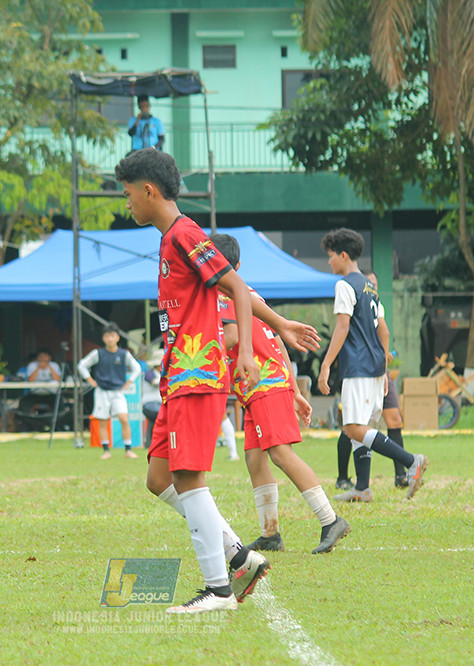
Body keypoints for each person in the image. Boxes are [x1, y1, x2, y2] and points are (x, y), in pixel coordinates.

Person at [114, 147, 322, 614]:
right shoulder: (171, 238)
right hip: (178, 377)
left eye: (128, 195)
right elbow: (234, 287)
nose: (126, 203)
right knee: (158, 477)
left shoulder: (185, 233)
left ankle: (219, 590)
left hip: (199, 374)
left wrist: (248, 348)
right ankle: (238, 555)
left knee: (189, 479)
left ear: (149, 191)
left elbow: (235, 289)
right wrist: (283, 323)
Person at [211, 233, 350, 555]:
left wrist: (195, 357)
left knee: (280, 454)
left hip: (264, 386)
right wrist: (294, 389)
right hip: (265, 387)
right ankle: (270, 533)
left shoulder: (224, 297)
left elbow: (231, 335)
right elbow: (275, 336)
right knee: (254, 458)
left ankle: (330, 520)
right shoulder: (249, 292)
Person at [318, 228, 428, 502]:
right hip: (376, 368)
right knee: (364, 426)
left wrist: (325, 365)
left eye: (331, 256)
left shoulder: (344, 285)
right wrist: (382, 357)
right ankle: (363, 488)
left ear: (343, 255)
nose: (329, 262)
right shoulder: (370, 286)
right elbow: (384, 330)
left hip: (357, 368)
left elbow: (342, 327)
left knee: (353, 427)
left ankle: (412, 460)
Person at [335, 272, 408, 490]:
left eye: (374, 284)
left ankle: (406, 467)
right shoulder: (356, 296)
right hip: (368, 368)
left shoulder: (373, 302)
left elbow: (383, 332)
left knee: (365, 424)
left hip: (374, 370)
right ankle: (353, 481)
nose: (371, 287)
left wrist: (384, 365)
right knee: (355, 427)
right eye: (369, 283)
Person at [78, 324, 143, 460]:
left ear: (117, 338)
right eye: (107, 336)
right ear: (103, 338)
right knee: (103, 421)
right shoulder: (98, 353)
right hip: (102, 391)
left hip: (118, 392)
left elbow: (136, 368)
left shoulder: (124, 354)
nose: (110, 339)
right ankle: (106, 450)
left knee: (124, 419)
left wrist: (129, 382)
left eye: (112, 336)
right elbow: (82, 365)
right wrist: (90, 380)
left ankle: (128, 449)